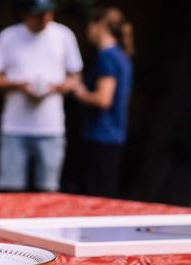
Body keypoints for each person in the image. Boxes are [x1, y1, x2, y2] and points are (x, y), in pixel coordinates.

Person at [0, 0, 83, 192]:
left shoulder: (64, 35)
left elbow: (76, 76)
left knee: (47, 191)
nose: (45, 19)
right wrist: (17, 85)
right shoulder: (9, 36)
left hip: (51, 129)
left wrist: (57, 87)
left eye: (49, 13)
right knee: (11, 192)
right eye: (39, 14)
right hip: (14, 128)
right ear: (25, 14)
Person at [73, 7, 134, 198]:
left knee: (96, 197)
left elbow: (103, 99)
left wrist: (78, 91)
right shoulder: (122, 56)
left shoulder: (106, 56)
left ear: (99, 25)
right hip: (113, 136)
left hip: (101, 136)